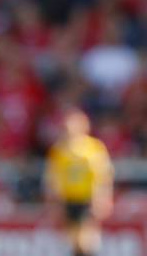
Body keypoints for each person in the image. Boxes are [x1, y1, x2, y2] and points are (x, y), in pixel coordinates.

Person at [44, 108, 114, 256]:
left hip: (86, 198)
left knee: (85, 238)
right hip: (68, 199)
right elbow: (53, 177)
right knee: (72, 239)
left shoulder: (94, 148)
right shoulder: (59, 150)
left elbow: (103, 175)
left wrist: (102, 197)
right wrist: (54, 200)